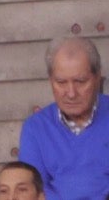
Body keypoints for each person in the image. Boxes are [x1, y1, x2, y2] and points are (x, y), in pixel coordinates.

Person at [19, 36, 109, 200]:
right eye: (61, 82)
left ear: (97, 77)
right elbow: (32, 191)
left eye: (80, 81)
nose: (71, 93)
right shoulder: (35, 128)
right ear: (50, 81)